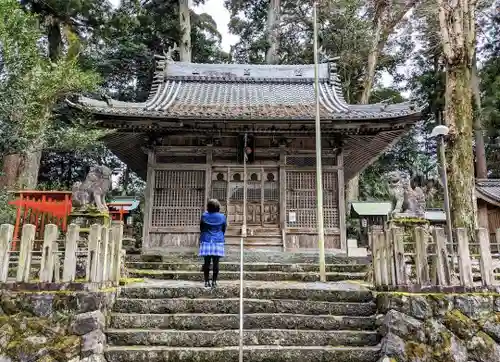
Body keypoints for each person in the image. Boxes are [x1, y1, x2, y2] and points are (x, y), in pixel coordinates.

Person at [199, 199, 226, 288]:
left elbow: (201, 228)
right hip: (218, 240)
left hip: (206, 239)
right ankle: (214, 282)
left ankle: (206, 281)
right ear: (218, 207)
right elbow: (223, 228)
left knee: (206, 262)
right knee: (216, 262)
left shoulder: (204, 216)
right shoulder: (222, 217)